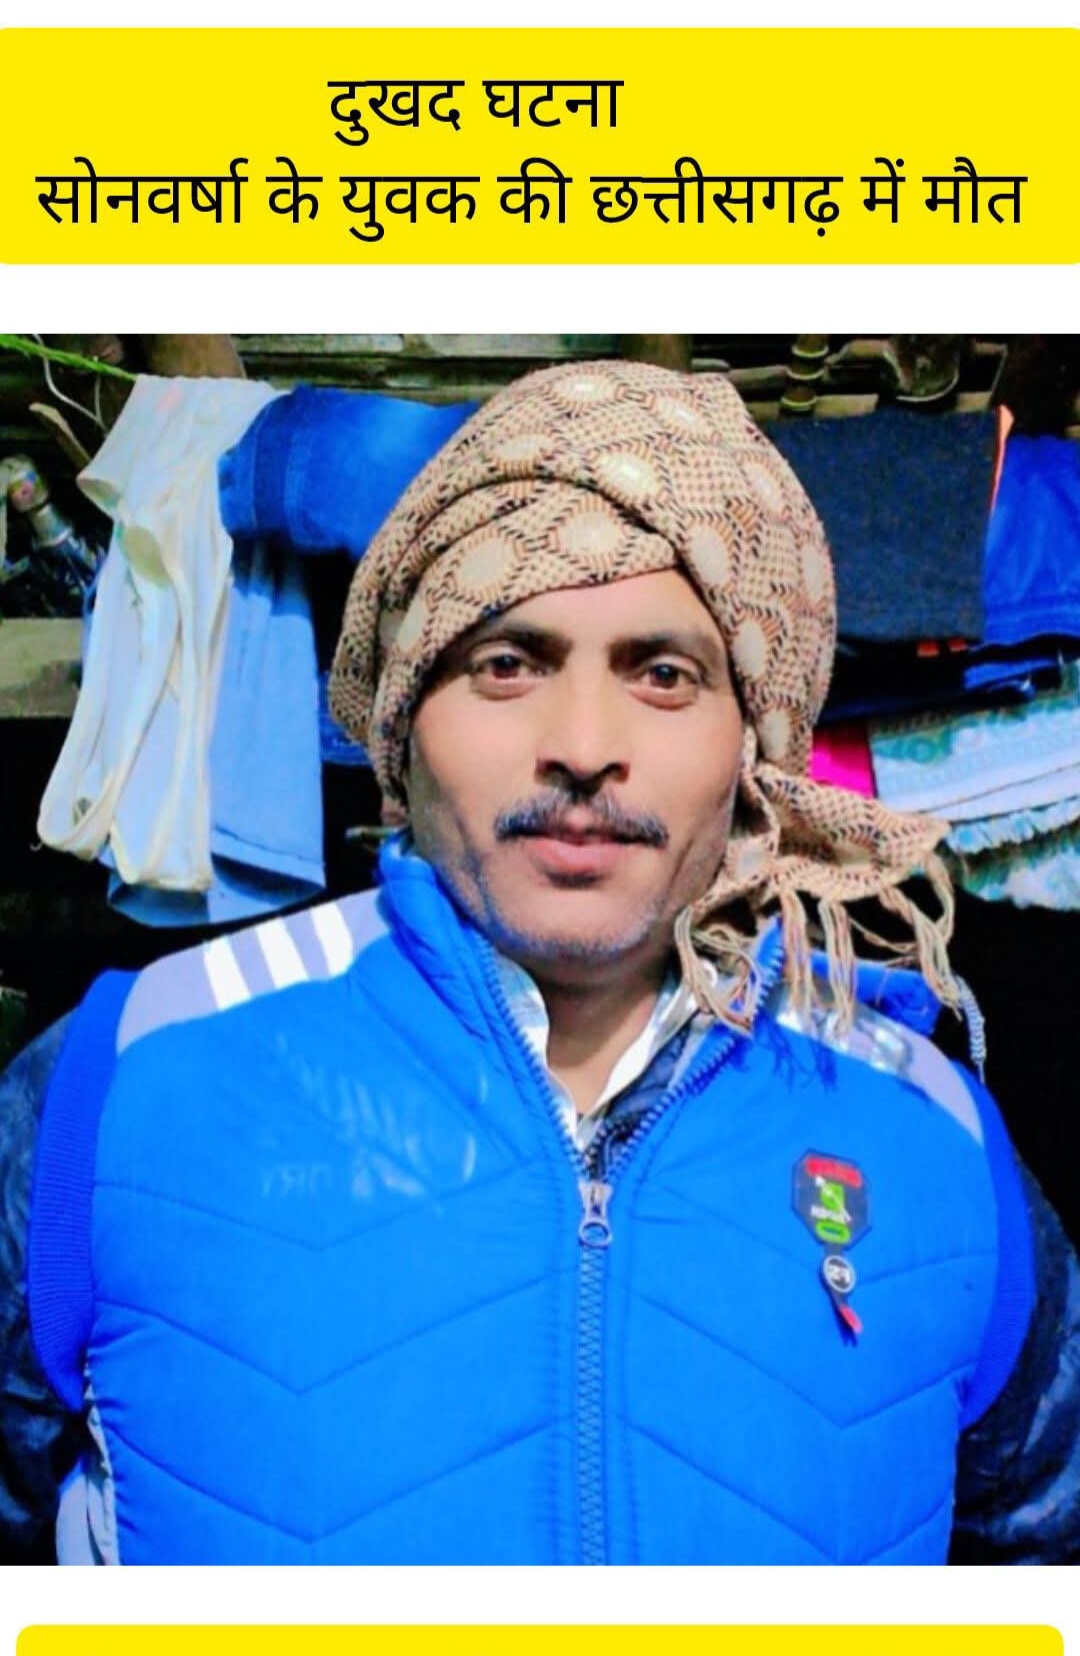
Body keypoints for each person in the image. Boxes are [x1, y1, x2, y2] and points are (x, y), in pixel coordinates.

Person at [1, 359, 1078, 1565]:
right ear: (405, 721)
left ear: (752, 746)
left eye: (664, 675)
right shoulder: (124, 1077)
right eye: (507, 663)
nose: (582, 746)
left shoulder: (929, 1127)